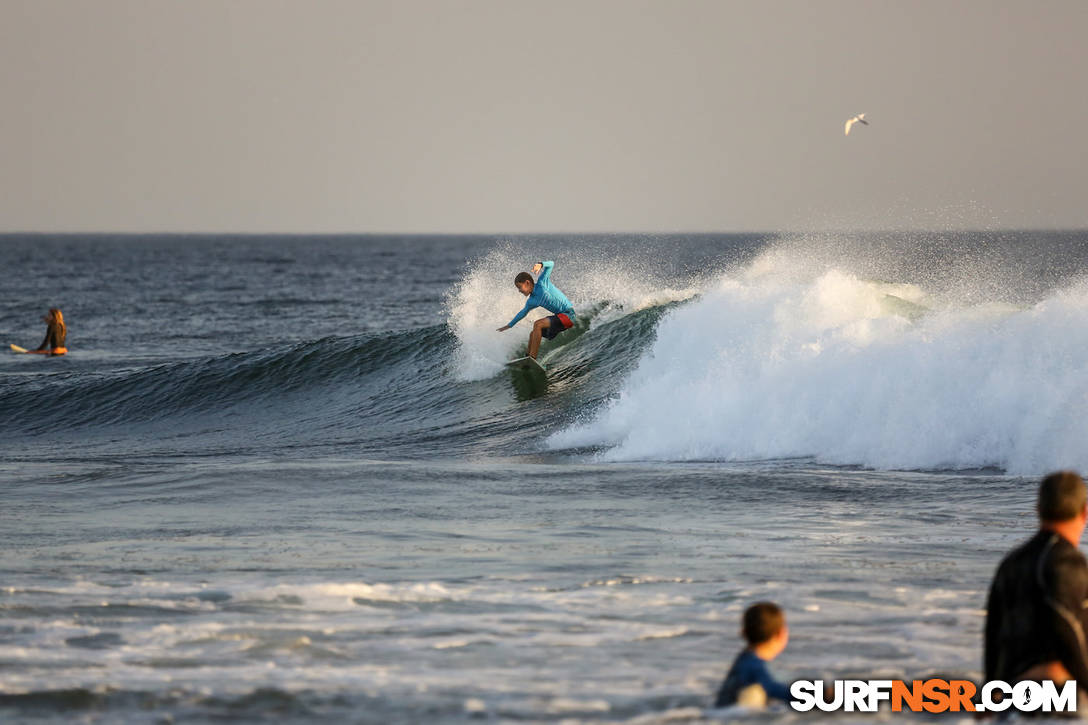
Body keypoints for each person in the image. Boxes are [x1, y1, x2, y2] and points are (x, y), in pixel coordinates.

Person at [984, 470, 1088, 695]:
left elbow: (993, 634)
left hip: (1013, 694)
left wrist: (991, 694)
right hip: (1055, 694)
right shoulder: (1066, 561)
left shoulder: (1011, 562)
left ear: (1039, 510)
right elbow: (1064, 623)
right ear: (1085, 512)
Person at [715, 601, 792, 708]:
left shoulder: (744, 660)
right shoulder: (752, 664)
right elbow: (772, 688)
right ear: (780, 634)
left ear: (744, 633)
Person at [496, 260, 576, 359]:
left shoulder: (543, 282)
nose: (519, 291)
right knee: (533, 334)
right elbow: (523, 312)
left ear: (527, 283)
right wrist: (509, 325)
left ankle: (532, 357)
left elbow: (551, 264)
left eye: (520, 287)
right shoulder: (532, 301)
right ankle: (527, 358)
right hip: (560, 319)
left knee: (537, 324)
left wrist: (541, 264)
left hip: (568, 315)